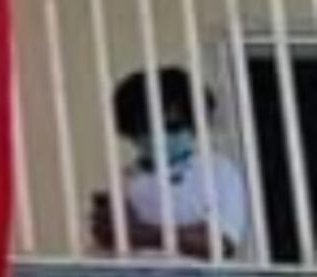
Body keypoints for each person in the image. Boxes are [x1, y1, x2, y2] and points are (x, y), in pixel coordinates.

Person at [91, 67, 250, 262]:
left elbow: (220, 243)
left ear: (193, 123)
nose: (159, 134)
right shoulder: (125, 178)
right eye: (145, 126)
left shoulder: (218, 171)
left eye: (172, 125)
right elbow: (112, 240)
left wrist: (143, 234)